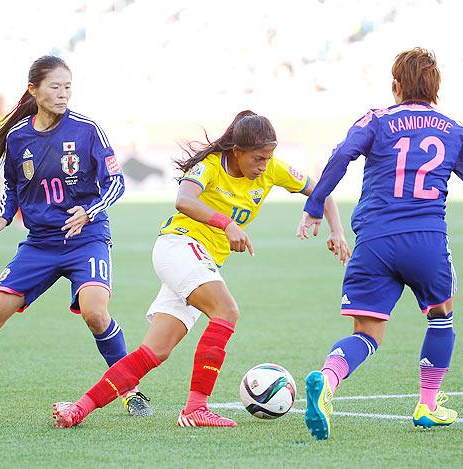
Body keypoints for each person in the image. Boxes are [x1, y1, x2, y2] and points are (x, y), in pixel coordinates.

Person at [52, 110, 351, 428]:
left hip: (198, 262)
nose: (264, 166)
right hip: (179, 247)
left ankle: (78, 409)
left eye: (268, 158)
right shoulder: (209, 166)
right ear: (237, 151)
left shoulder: (271, 170)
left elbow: (321, 191)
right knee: (226, 311)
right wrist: (227, 224)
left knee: (156, 350)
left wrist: (335, 229)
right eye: (258, 158)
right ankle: (196, 408)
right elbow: (184, 200)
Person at [297, 48, 463, 440]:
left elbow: (342, 155)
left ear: (396, 86)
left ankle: (327, 382)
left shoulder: (377, 119)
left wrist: (315, 203)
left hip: (373, 241)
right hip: (426, 242)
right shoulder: (456, 131)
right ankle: (428, 404)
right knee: (441, 316)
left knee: (366, 333)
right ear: (437, 88)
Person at [0, 55, 152, 418]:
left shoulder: (87, 130)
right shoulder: (18, 138)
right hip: (41, 243)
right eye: (55, 87)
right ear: (33, 89)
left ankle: (132, 391)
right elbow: (14, 186)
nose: (63, 94)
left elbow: (116, 182)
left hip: (86, 237)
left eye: (68, 87)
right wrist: (2, 216)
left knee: (96, 313)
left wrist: (89, 211)